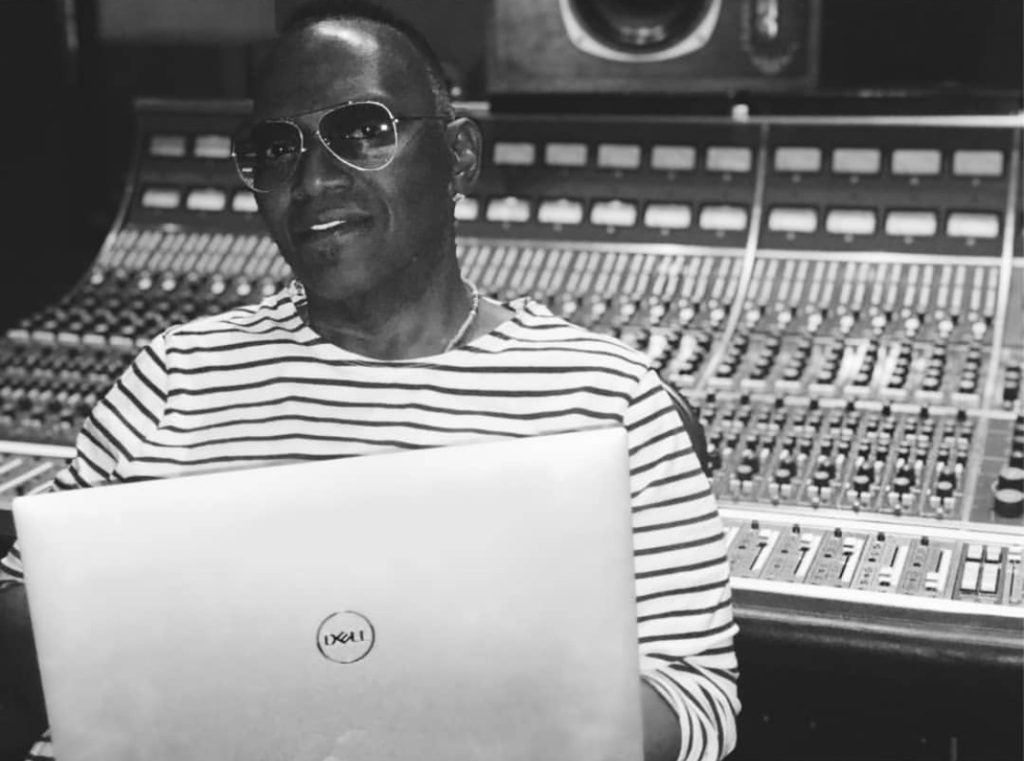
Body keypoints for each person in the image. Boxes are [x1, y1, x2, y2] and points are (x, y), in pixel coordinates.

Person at [0, 1, 740, 758]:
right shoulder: (176, 372)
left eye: (362, 131)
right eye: (276, 148)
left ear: (458, 155)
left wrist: (497, 718)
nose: (314, 178)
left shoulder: (611, 400)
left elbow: (696, 700)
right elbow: (21, 598)